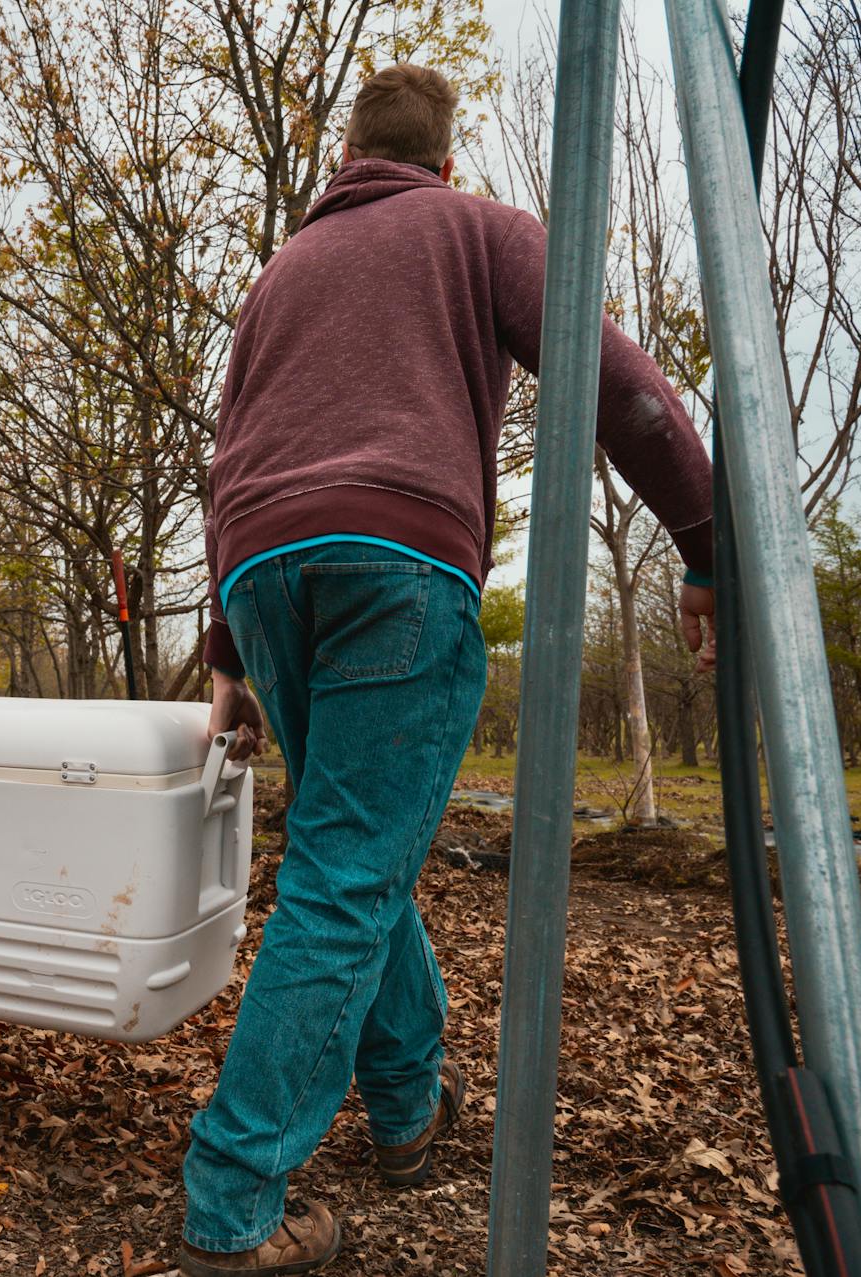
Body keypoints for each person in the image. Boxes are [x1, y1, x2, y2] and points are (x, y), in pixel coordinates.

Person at [179, 66, 719, 1276]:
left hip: (264, 571)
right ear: (445, 157)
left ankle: (408, 1103)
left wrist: (230, 657)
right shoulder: (478, 230)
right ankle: (232, 1197)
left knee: (351, 854)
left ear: (349, 154)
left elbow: (229, 463)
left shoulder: (279, 275)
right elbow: (616, 382)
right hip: (396, 563)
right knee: (345, 877)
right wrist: (706, 541)